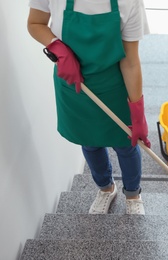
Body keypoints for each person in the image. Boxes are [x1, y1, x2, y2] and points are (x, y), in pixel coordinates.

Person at [27, 0, 151, 215]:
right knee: (89, 141)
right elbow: (35, 22)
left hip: (114, 84)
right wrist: (57, 47)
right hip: (74, 84)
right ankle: (106, 188)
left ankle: (133, 194)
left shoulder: (129, 2)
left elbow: (130, 61)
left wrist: (138, 113)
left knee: (125, 144)